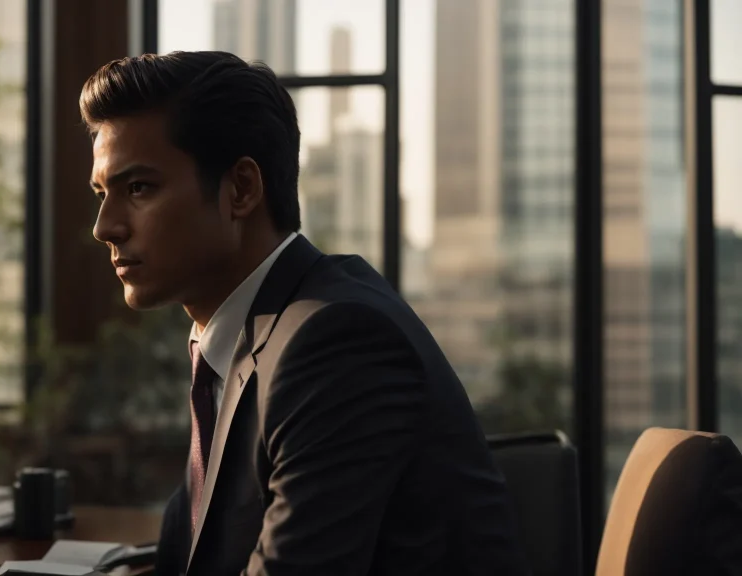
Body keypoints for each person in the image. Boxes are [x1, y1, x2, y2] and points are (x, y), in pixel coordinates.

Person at [80, 51, 530, 576]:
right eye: (101, 193)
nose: (104, 226)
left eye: (138, 189)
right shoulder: (240, 334)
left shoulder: (336, 341)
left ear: (242, 190)